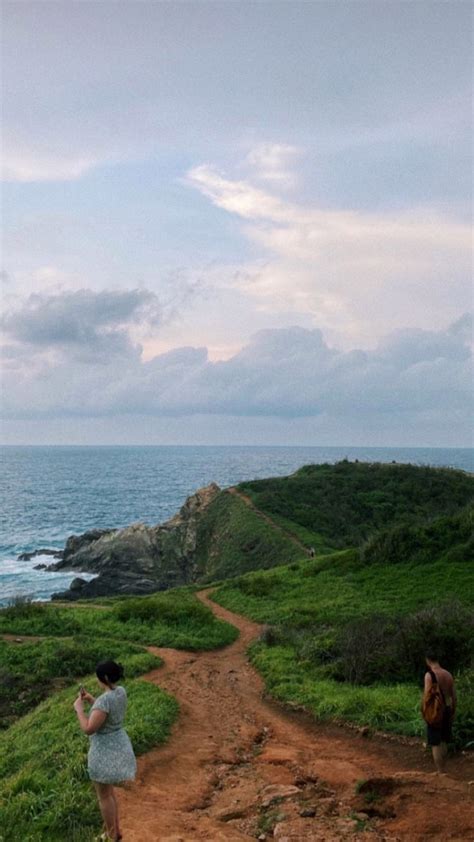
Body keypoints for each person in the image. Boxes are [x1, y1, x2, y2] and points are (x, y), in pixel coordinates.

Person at [74, 660, 136, 841]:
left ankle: (111, 835)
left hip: (103, 751)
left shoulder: (104, 701)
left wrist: (79, 709)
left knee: (104, 796)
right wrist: (93, 700)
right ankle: (114, 830)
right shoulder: (120, 692)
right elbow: (108, 712)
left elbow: (88, 729)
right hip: (118, 743)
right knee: (109, 793)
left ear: (105, 678)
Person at [423, 651, 456, 774]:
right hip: (447, 709)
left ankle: (440, 771)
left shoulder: (429, 675)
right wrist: (453, 711)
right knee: (444, 740)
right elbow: (454, 696)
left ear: (427, 660)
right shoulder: (448, 674)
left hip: (436, 712)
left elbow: (427, 696)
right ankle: (444, 770)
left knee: (435, 742)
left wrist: (426, 713)